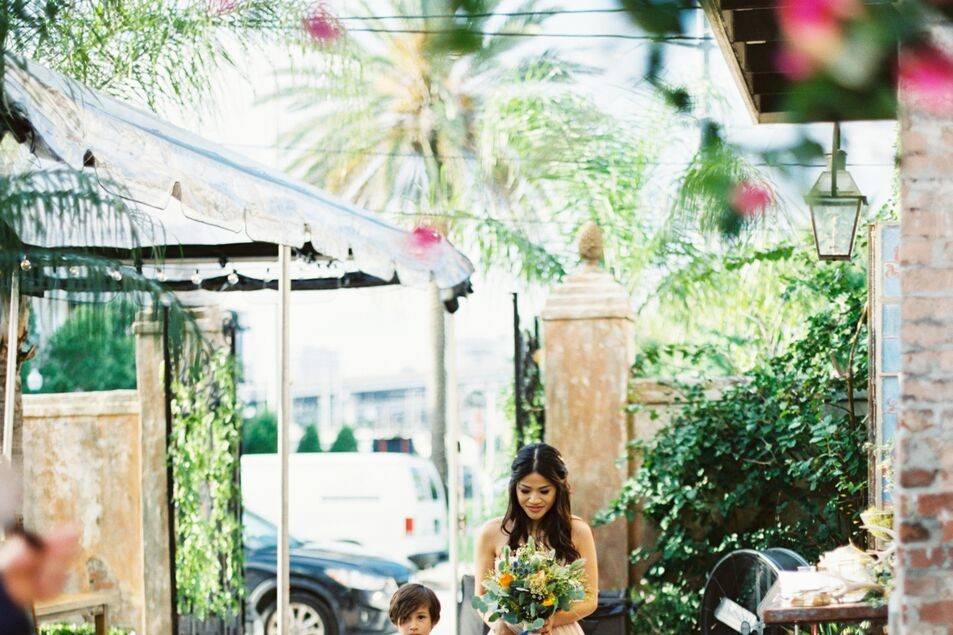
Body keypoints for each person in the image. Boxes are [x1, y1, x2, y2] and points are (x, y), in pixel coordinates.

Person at [475, 443, 598, 635]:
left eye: (544, 491)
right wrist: (498, 625)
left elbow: (590, 600)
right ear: (514, 488)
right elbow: (481, 596)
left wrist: (553, 620)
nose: (534, 499)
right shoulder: (491, 532)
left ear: (558, 489)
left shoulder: (578, 531)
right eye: (525, 491)